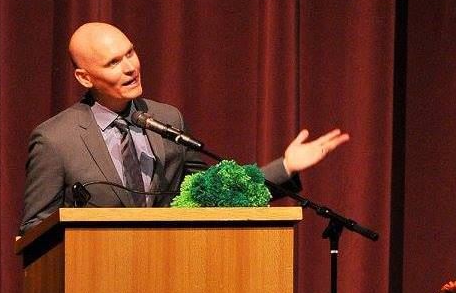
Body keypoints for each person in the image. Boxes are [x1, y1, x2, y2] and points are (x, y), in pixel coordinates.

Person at [20, 22, 349, 233]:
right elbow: (35, 229)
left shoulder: (166, 120)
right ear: (85, 77)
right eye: (113, 63)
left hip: (173, 281)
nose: (130, 68)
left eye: (130, 53)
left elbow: (209, 196)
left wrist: (286, 166)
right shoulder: (55, 140)